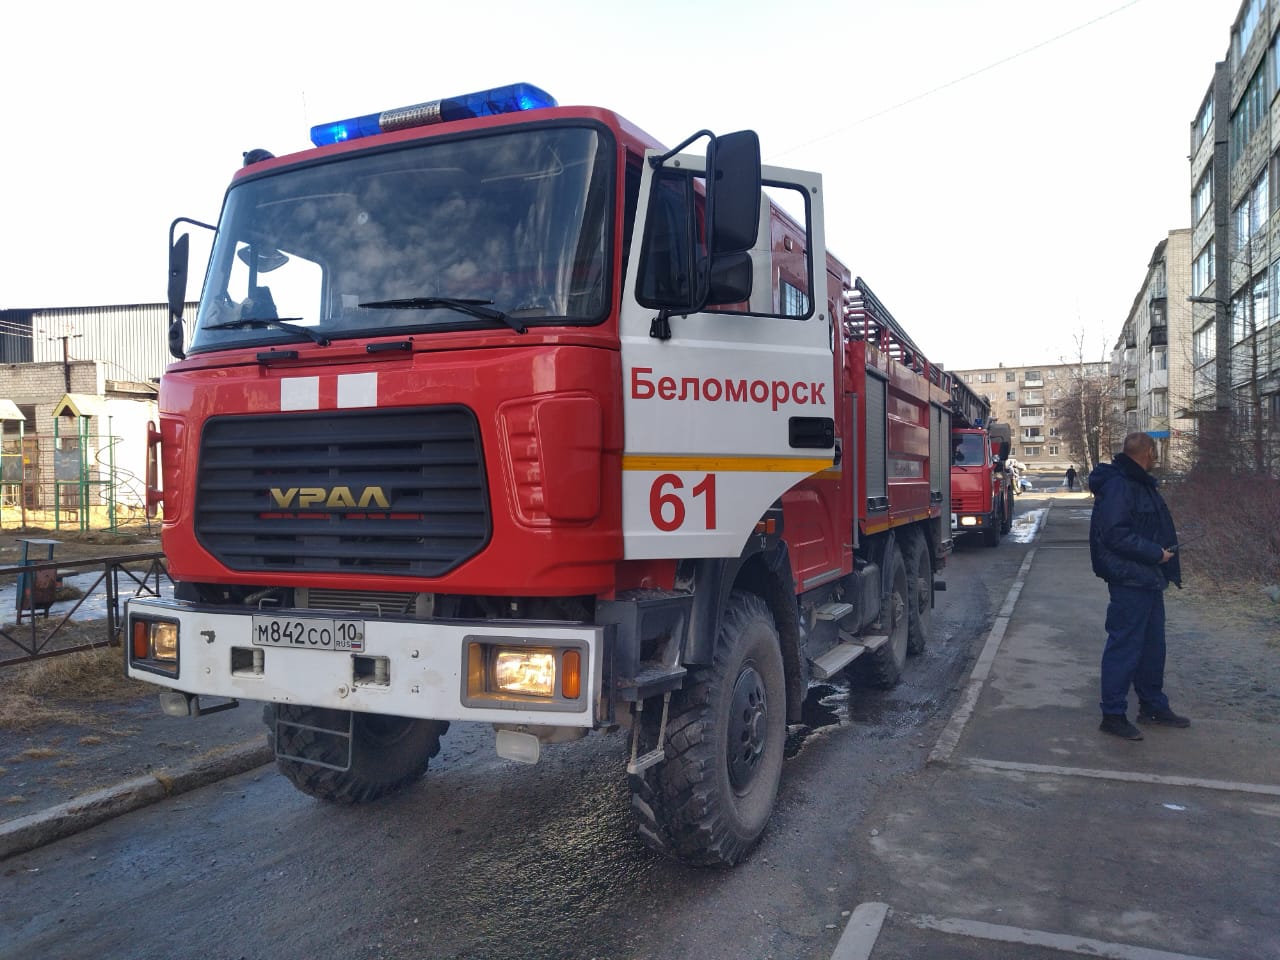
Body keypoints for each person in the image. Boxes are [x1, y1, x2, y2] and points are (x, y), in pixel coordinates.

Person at [1087, 432, 1187, 740]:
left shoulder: (1138, 481)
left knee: (1152, 648)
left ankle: (1153, 706)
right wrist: (1156, 553)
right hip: (1130, 578)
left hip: (1148, 578)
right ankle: (1113, 715)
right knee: (1125, 646)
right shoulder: (1120, 484)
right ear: (1146, 452)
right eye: (1154, 452)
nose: (1156, 458)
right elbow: (1115, 534)